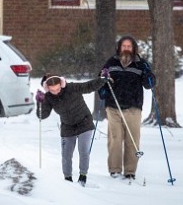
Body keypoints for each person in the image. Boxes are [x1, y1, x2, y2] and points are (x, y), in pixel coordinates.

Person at [36, 73, 109, 186]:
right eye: (52, 90)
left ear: (61, 84)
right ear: (47, 88)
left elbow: (88, 86)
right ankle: (67, 179)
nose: (56, 92)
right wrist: (39, 102)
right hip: (67, 126)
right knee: (66, 154)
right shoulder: (49, 98)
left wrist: (102, 79)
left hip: (84, 122)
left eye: (58, 88)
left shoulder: (72, 88)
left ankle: (83, 176)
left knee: (83, 150)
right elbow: (42, 115)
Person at [99, 35, 156, 181]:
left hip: (133, 108)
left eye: (129, 46)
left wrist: (148, 74)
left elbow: (149, 84)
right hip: (113, 108)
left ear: (133, 48)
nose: (126, 49)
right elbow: (101, 80)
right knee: (115, 139)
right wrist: (103, 87)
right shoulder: (111, 62)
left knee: (132, 139)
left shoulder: (140, 64)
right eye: (123, 46)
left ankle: (130, 171)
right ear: (119, 47)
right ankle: (115, 170)